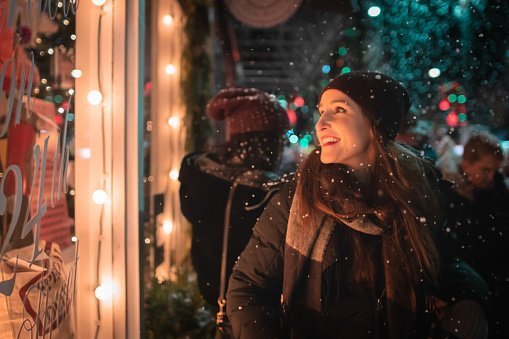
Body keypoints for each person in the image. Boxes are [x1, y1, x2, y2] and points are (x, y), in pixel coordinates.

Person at [226, 72, 488, 339]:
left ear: (375, 123)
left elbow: (446, 263)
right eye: (322, 111)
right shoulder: (298, 197)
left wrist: (469, 302)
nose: (321, 123)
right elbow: (248, 287)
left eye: (339, 109)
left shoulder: (416, 195)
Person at [179, 87, 290, 314]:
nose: (282, 146)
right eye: (277, 138)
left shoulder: (204, 176)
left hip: (219, 301)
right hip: (251, 307)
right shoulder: (255, 191)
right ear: (261, 142)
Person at [444, 132, 509, 338]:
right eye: (485, 170)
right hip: (467, 284)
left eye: (495, 171)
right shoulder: (447, 193)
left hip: (495, 280)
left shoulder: (497, 191)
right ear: (465, 164)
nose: (491, 177)